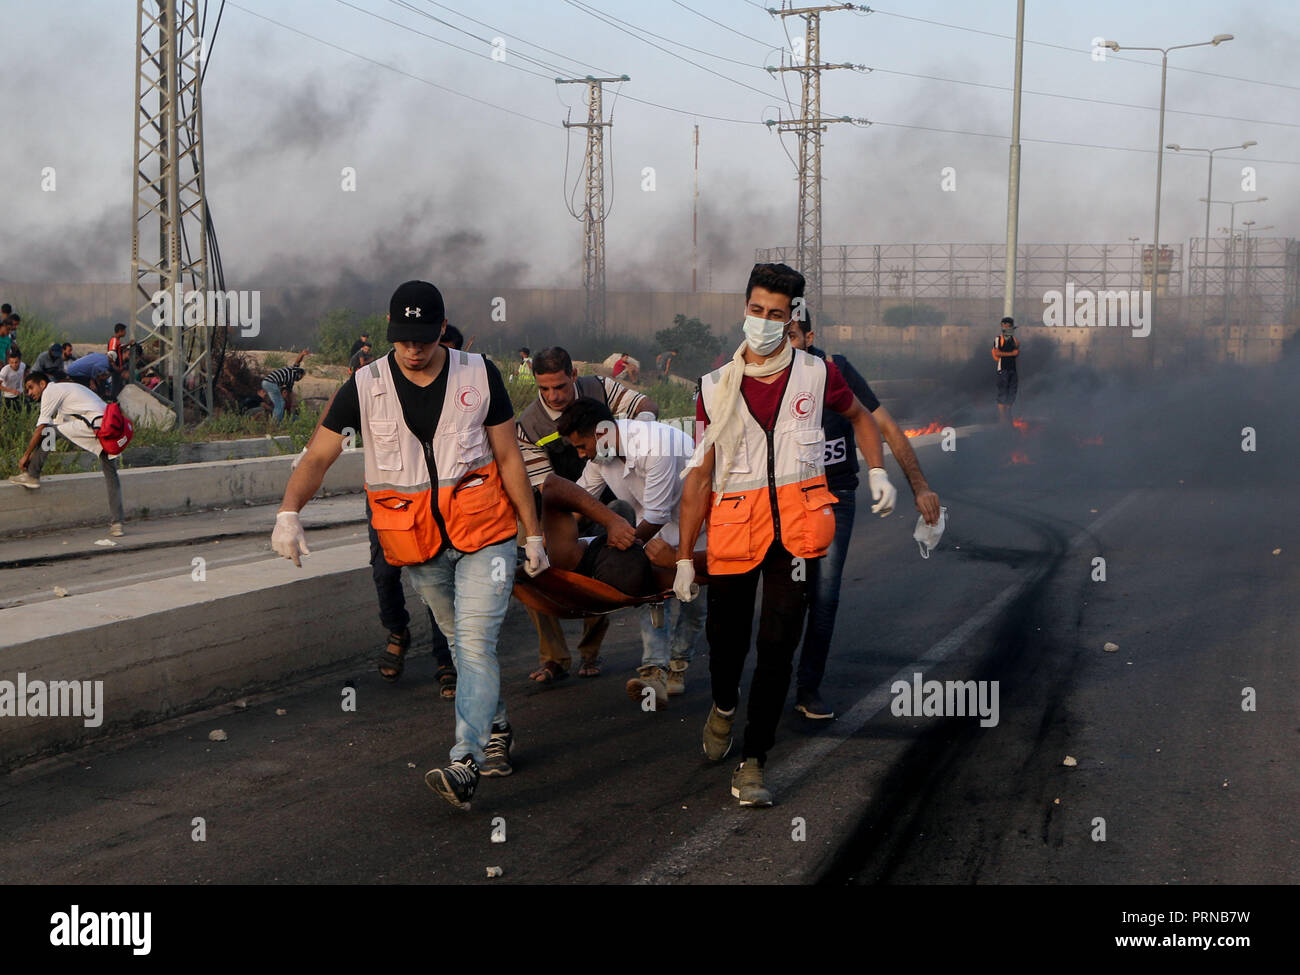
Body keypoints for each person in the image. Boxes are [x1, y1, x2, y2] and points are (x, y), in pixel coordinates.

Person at [271, 280, 548, 811]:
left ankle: (466, 760)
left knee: (472, 643)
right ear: (390, 334)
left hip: (485, 534)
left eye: (423, 338)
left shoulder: (479, 373)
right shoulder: (364, 383)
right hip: (415, 543)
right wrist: (289, 512)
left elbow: (509, 457)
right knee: (461, 643)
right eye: (403, 339)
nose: (413, 350)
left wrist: (531, 532)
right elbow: (317, 456)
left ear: (442, 330)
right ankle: (497, 727)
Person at [674, 263, 898, 808]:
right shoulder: (714, 386)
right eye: (756, 310)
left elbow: (863, 417)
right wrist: (684, 555)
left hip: (796, 537)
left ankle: (755, 760)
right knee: (726, 646)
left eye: (776, 314)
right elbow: (701, 473)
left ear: (791, 316)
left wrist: (876, 471)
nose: (764, 322)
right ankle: (724, 705)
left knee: (776, 648)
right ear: (744, 309)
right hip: (732, 533)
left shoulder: (818, 375)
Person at [783, 313, 941, 720]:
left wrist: (918, 485)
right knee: (784, 594)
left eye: (792, 336)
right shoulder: (765, 375)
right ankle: (771, 680)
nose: (784, 346)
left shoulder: (835, 371)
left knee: (825, 595)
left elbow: (883, 424)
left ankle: (808, 688)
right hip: (783, 498)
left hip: (835, 494)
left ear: (809, 337)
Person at [546, 397, 707, 708]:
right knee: (650, 596)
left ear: (601, 433)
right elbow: (580, 501)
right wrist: (544, 542)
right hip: (651, 530)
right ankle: (654, 671)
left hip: (697, 528)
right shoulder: (600, 457)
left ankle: (678, 665)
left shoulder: (655, 444)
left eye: (582, 446)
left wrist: (623, 550)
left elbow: (658, 514)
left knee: (691, 602)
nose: (581, 455)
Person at [515, 346, 659, 682]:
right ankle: (553, 657)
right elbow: (545, 487)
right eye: (545, 388)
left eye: (561, 386)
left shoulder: (601, 387)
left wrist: (642, 429)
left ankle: (590, 652)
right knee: (531, 565)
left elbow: (644, 404)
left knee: (606, 559)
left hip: (607, 496)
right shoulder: (527, 426)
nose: (554, 396)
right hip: (557, 501)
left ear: (574, 376)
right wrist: (556, 537)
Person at [10, 371, 126, 536]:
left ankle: (32, 475)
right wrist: (34, 455)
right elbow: (58, 426)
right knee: (111, 474)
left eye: (31, 387)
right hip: (108, 428)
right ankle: (118, 524)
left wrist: (25, 456)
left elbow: (43, 429)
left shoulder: (51, 391)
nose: (29, 393)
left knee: (49, 431)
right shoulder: (65, 392)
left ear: (42, 384)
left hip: (94, 425)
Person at [262, 349, 309, 422]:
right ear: (299, 375)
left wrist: (302, 354)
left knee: (279, 402)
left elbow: (297, 361)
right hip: (270, 382)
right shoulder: (292, 374)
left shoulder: (292, 375)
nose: (300, 379)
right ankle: (276, 423)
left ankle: (276, 420)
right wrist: (302, 354)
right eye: (301, 377)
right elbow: (298, 361)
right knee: (280, 403)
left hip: (267, 382)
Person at [992, 316, 1019, 423]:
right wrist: (1011, 354)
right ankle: (1002, 418)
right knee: (1003, 393)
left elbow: (1016, 354)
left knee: (1011, 393)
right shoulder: (998, 339)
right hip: (1003, 369)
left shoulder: (1015, 341)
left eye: (1008, 326)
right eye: (1004, 326)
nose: (1006, 328)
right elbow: (997, 352)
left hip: (1013, 369)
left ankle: (1008, 415)